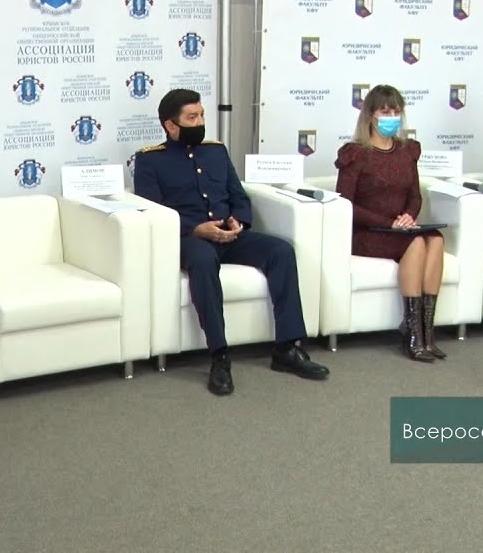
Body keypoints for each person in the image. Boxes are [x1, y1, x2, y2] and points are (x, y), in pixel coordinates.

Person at [133, 89, 330, 396]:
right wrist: (196, 229)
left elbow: (239, 196)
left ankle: (287, 348)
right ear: (170, 125)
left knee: (281, 251)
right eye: (191, 117)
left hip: (230, 234)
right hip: (188, 239)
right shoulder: (150, 160)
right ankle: (220, 356)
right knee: (203, 260)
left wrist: (239, 220)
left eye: (201, 115)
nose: (200, 122)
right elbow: (153, 211)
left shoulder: (216, 152)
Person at [335, 85, 446, 362]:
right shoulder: (356, 154)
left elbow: (415, 196)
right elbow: (345, 203)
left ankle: (426, 331)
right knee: (416, 242)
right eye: (385, 112)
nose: (392, 117)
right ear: (370, 115)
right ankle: (412, 334)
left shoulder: (407, 151)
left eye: (396, 111)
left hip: (401, 228)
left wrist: (408, 215)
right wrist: (389, 223)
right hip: (367, 232)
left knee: (435, 239)